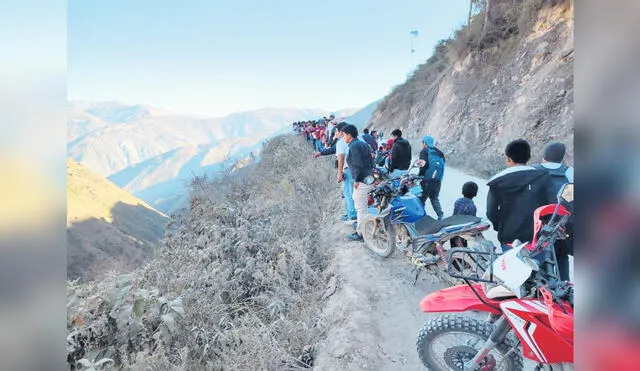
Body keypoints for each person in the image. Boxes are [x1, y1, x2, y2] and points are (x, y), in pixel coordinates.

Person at [486, 139, 556, 262]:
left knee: (512, 275)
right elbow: (551, 206)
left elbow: (491, 212)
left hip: (509, 237)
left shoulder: (497, 182)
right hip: (537, 239)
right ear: (528, 157)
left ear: (508, 158)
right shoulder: (543, 177)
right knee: (539, 276)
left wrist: (501, 226)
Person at [534, 141, 574, 281]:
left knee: (538, 257)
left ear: (544, 156)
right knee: (562, 256)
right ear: (562, 158)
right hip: (563, 224)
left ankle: (543, 289)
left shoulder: (533, 171)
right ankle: (565, 286)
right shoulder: (571, 172)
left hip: (538, 224)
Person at [342, 124, 374, 242]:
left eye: (344, 135)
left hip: (362, 180)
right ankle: (365, 228)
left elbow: (359, 165)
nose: (343, 137)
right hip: (369, 178)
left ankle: (361, 233)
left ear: (349, 135)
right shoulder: (363, 144)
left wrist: (357, 180)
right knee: (363, 206)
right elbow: (371, 161)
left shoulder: (353, 146)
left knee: (360, 207)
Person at [418, 136, 446, 220]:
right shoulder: (439, 152)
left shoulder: (424, 151)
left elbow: (422, 166)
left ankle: (421, 218)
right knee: (434, 198)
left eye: (422, 143)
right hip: (438, 180)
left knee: (421, 199)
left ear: (425, 143)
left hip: (427, 180)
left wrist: (420, 177)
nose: (422, 144)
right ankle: (440, 214)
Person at [450, 181, 478, 247]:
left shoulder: (458, 201)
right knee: (462, 251)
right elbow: (472, 222)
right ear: (475, 193)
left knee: (454, 248)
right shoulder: (472, 206)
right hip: (462, 233)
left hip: (452, 229)